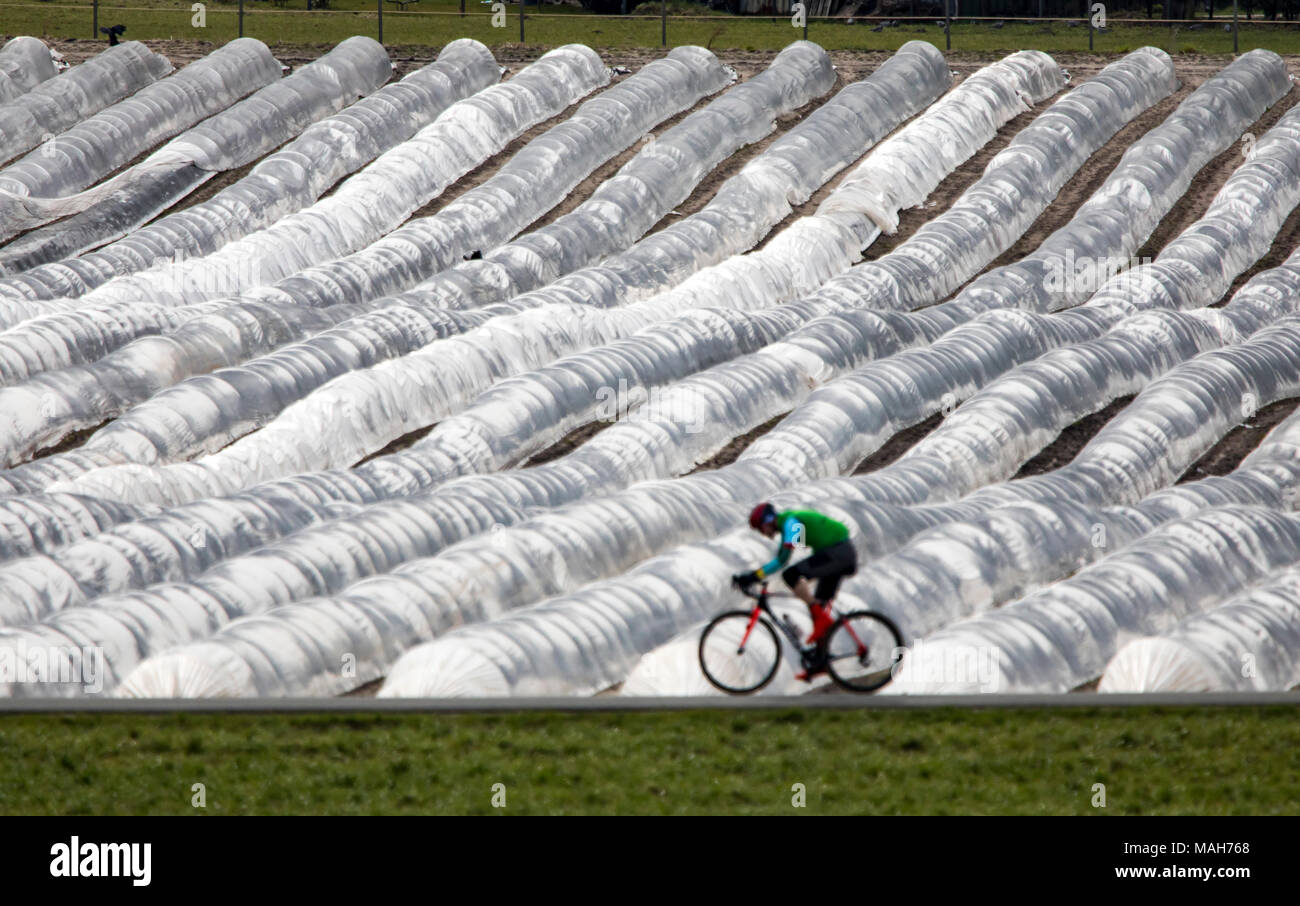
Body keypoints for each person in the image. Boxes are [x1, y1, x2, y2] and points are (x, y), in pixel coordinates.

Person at [732, 503, 858, 678]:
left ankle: (821, 620)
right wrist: (755, 576)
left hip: (837, 553)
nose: (762, 533)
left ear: (768, 520)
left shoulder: (791, 522)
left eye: (760, 528)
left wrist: (753, 577)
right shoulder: (787, 525)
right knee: (818, 605)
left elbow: (786, 555)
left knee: (791, 575)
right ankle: (821, 662)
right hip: (837, 553)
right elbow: (781, 559)